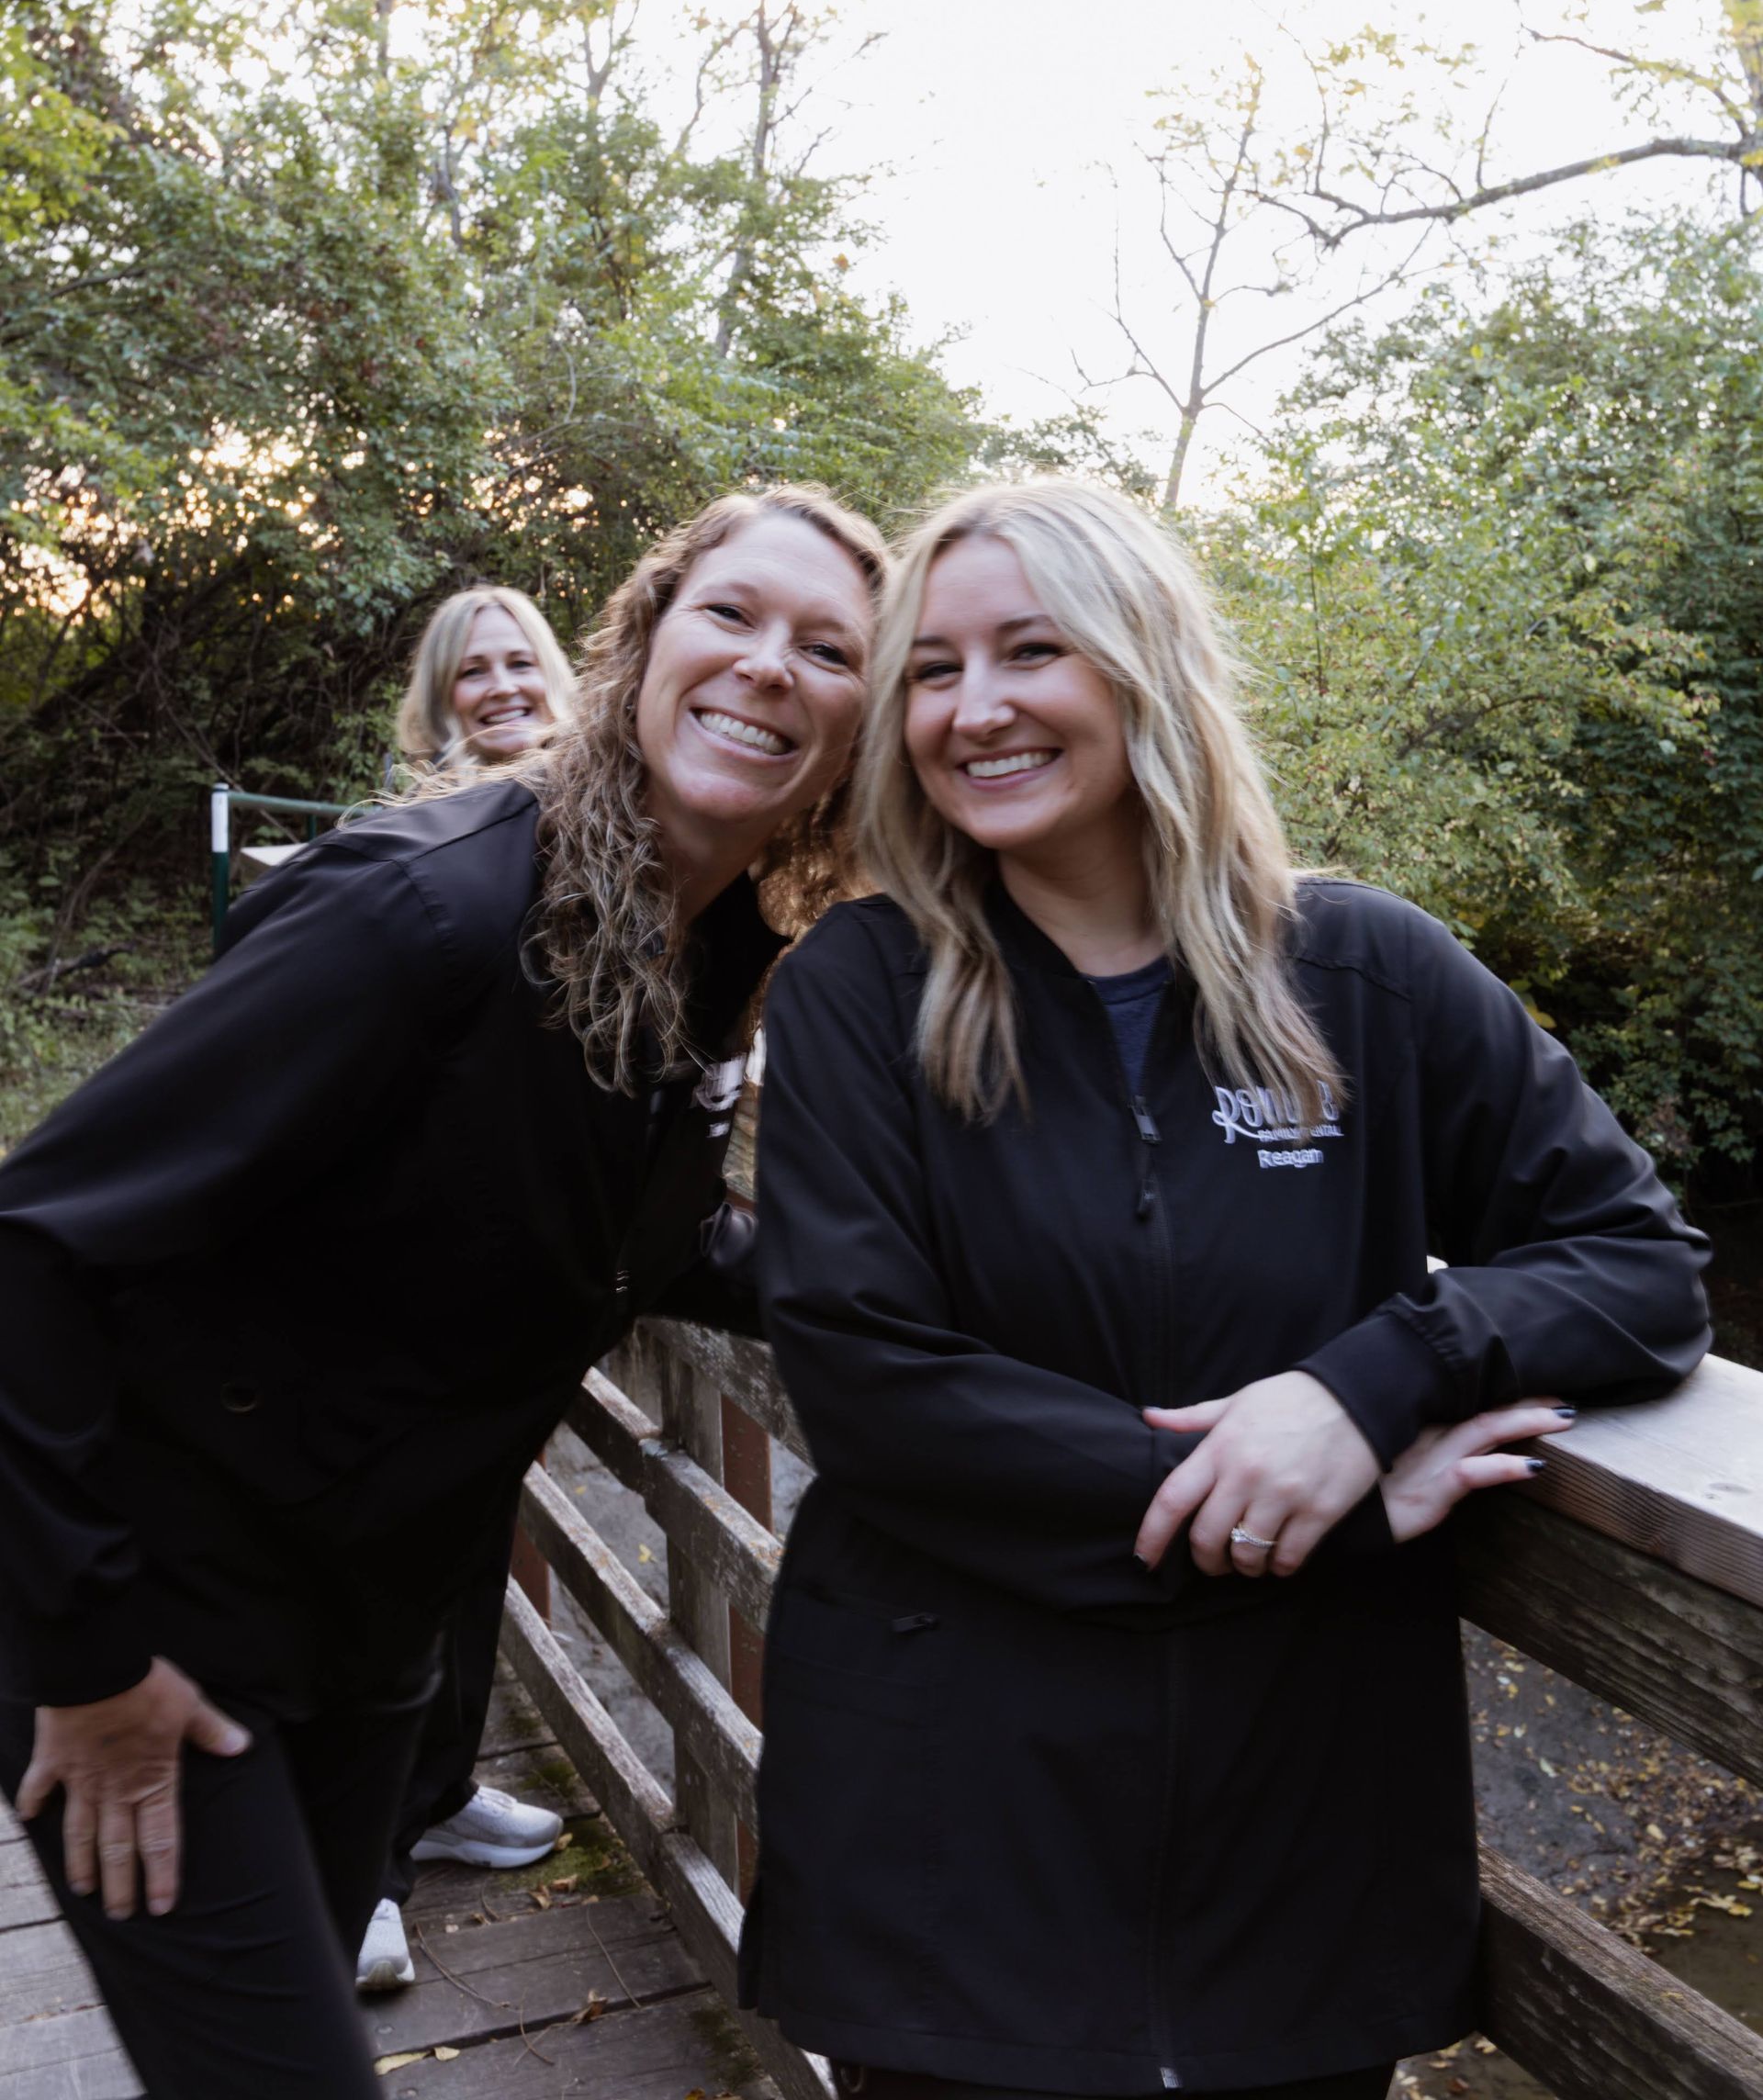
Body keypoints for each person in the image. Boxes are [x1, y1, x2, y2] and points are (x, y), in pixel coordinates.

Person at [740, 478, 1710, 2100]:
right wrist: (1285, 1501)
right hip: (950, 1833)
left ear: (1145, 669)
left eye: (1029, 651)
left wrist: (1366, 1387)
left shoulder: (1364, 975)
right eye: (932, 669)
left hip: (1299, 1833)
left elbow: (1638, 1264)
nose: (975, 710)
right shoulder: (861, 990)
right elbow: (866, 1377)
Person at [0, 483, 883, 2100]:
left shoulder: (713, 955)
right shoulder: (423, 906)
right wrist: (86, 1655)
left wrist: (939, 1290)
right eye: (734, 617)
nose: (772, 666)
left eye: (829, 648)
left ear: (859, 731)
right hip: (158, 1627)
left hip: (371, 1631)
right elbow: (35, 1242)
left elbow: (651, 1240)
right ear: (643, 644)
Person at [356, 582, 581, 1994]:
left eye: (520, 662)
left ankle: (435, 1801)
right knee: (385, 1571)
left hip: (537, 1267)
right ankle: (355, 1865)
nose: (500, 685)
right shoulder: (409, 839)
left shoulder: (612, 824)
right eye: (470, 673)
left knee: (473, 1543)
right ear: (437, 706)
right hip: (404, 1264)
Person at [394, 582, 575, 775]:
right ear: (438, 697)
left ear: (553, 675)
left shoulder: (605, 792)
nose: (504, 688)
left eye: (521, 664)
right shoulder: (424, 805)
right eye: (473, 672)